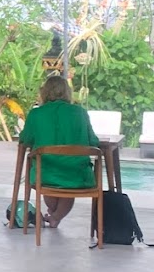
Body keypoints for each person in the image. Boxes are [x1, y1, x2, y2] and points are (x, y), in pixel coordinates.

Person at [18, 74, 99, 229]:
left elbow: (25, 140)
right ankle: (55, 217)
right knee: (67, 188)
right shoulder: (80, 113)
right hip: (76, 175)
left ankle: (54, 216)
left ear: (44, 92)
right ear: (67, 92)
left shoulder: (36, 114)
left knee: (50, 180)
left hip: (45, 174)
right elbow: (93, 142)